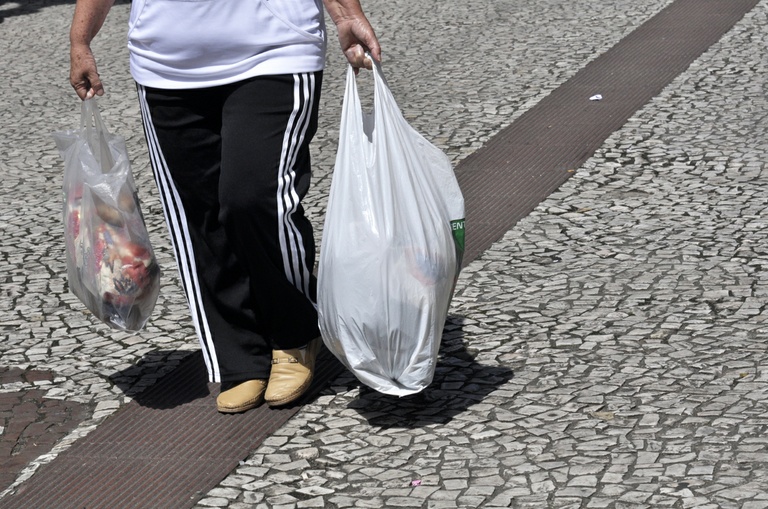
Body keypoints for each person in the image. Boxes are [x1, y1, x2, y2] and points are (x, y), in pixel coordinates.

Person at [69, 0, 381, 413]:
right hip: (166, 66)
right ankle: (239, 355)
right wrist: (80, 39)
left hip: (274, 50)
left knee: (253, 197)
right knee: (199, 214)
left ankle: (294, 332)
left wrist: (343, 15)